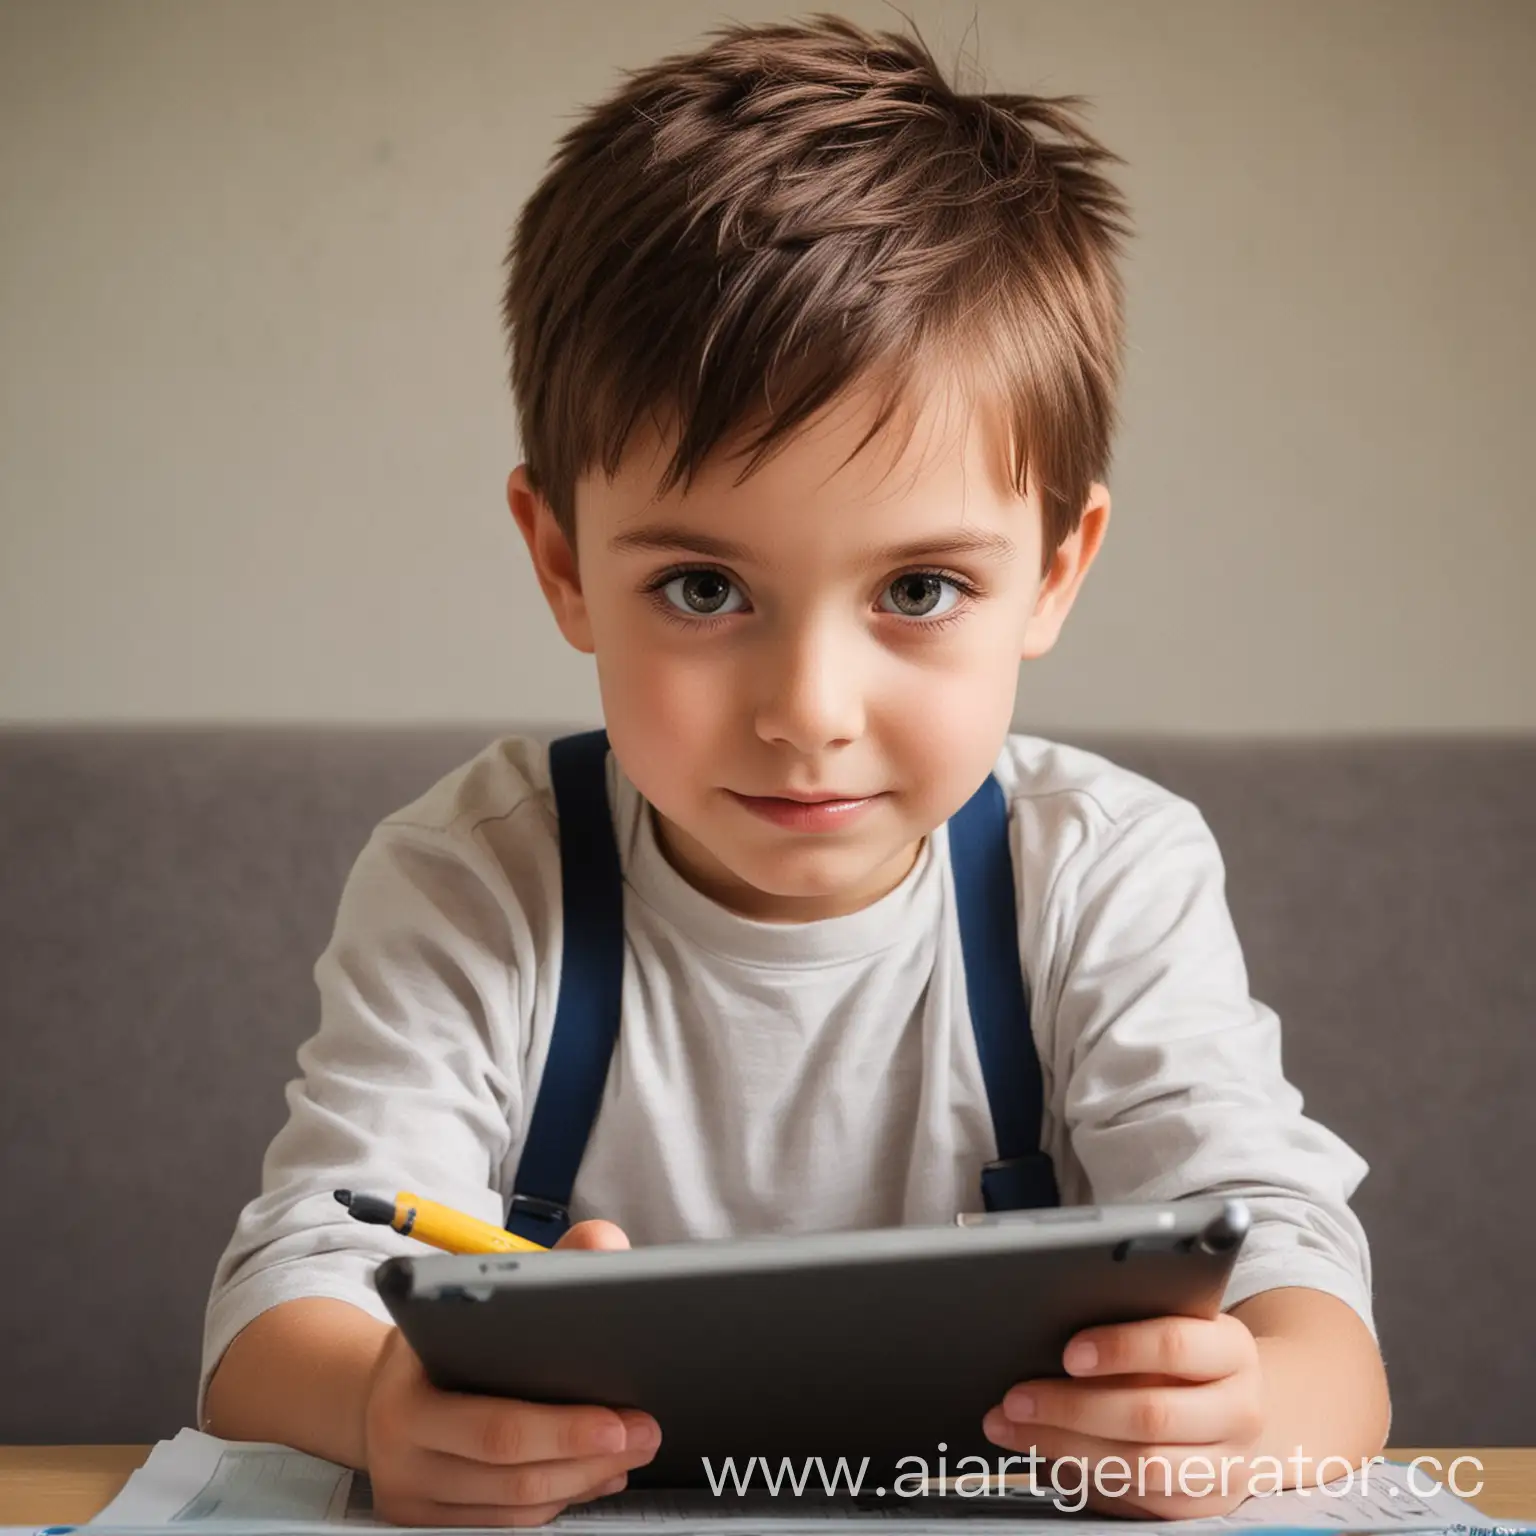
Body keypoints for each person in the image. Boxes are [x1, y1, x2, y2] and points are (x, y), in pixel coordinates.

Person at [200, 13, 1388, 1525]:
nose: (809, 711)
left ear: (1054, 570)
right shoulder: (476, 880)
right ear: (563, 564)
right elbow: (276, 1306)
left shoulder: (1102, 873)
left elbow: (1311, 1310)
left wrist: (1250, 1412)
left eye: (918, 591)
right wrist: (379, 1404)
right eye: (705, 590)